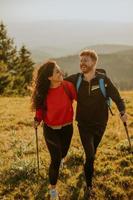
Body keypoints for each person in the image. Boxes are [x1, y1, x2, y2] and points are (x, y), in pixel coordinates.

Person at [65, 49, 127, 197]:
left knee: (92, 153)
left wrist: (123, 111)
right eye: (81, 61)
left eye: (85, 60)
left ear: (94, 62)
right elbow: (59, 84)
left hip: (100, 123)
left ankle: (87, 166)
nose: (82, 63)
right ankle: (89, 185)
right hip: (84, 124)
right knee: (91, 155)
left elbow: (117, 97)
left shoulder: (103, 80)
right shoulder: (76, 79)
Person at [31, 60, 77, 200]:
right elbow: (40, 110)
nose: (61, 73)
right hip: (50, 129)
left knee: (63, 153)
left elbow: (80, 99)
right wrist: (37, 120)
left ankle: (61, 158)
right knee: (55, 159)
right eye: (57, 71)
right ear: (49, 77)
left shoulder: (67, 87)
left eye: (59, 70)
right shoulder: (43, 93)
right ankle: (53, 190)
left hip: (67, 127)